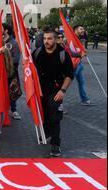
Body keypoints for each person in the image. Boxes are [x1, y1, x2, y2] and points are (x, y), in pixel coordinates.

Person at [33, 28, 74, 157]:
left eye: (50, 38)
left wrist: (63, 91)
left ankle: (55, 145)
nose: (46, 41)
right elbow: (30, 69)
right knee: (44, 115)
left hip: (56, 92)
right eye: (45, 38)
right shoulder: (38, 52)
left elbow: (69, 75)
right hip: (40, 92)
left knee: (55, 118)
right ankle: (46, 133)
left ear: (56, 39)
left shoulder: (63, 54)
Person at [2, 24, 22, 121]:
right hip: (0, 72)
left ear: (5, 31)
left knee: (12, 90)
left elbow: (16, 59)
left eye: (1, 28)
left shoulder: (13, 43)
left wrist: (5, 61)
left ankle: (13, 110)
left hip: (10, 72)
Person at [73, 25, 93, 106]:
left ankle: (84, 99)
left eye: (83, 29)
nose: (83, 30)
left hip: (79, 63)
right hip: (73, 64)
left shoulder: (79, 39)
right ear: (75, 29)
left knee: (82, 82)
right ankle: (58, 103)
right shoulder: (69, 38)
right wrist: (79, 55)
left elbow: (80, 50)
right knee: (65, 84)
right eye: (81, 29)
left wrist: (83, 52)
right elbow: (68, 51)